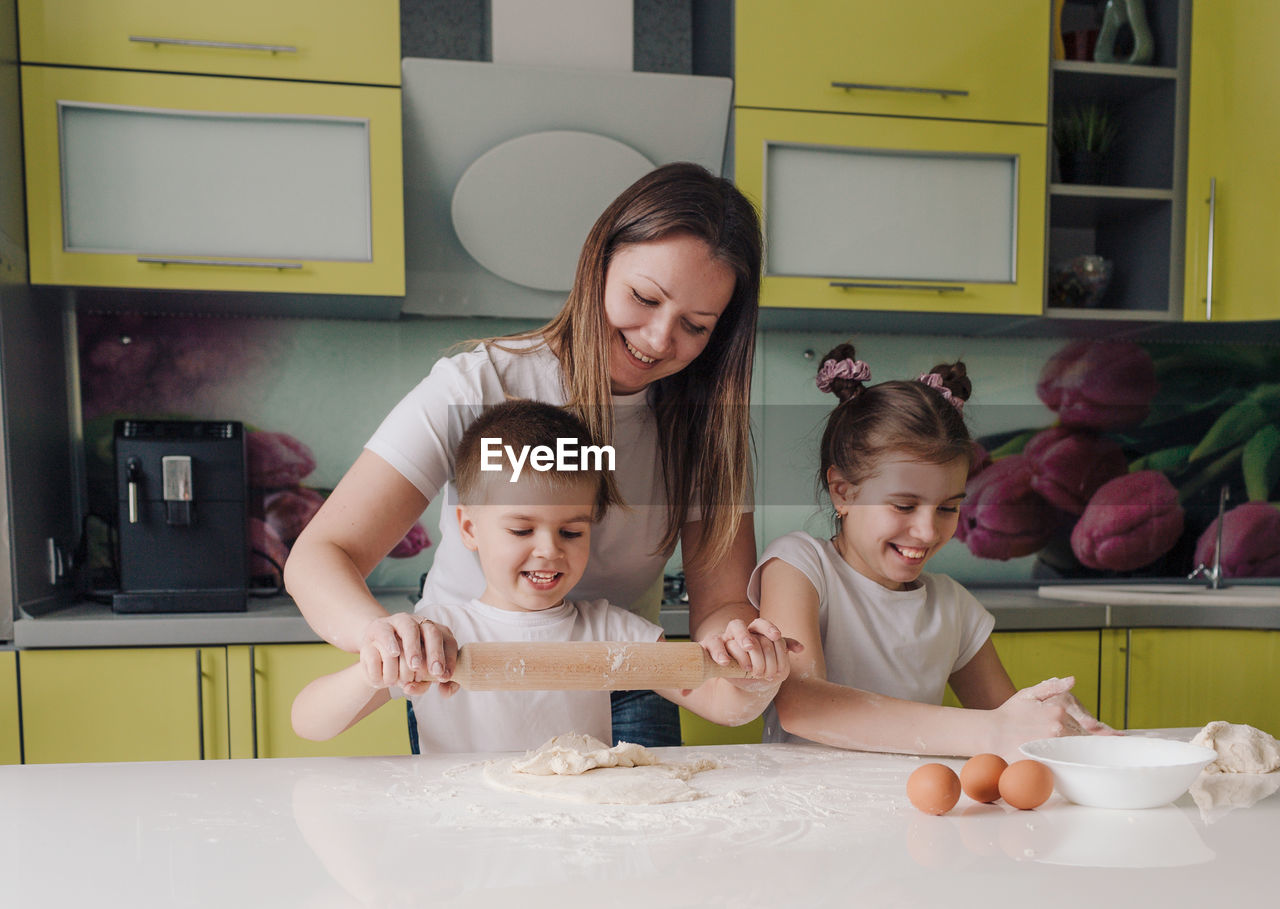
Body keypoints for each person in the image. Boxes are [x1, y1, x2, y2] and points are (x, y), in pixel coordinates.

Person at [285, 162, 783, 747]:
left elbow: (723, 602)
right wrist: (388, 642)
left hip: (625, 673)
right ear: (598, 261)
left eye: (696, 326)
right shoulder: (479, 385)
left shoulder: (705, 430)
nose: (657, 339)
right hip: (467, 671)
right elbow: (321, 554)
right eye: (643, 298)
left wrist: (738, 647)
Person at [291, 400, 793, 751]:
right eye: (521, 528)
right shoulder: (437, 636)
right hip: (463, 841)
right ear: (469, 527)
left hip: (574, 840)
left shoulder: (609, 632)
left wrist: (755, 678)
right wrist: (373, 665)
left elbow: (724, 704)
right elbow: (308, 722)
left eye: (572, 532)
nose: (549, 550)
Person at [750, 343, 1112, 761]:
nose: (926, 531)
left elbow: (1010, 722)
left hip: (920, 815)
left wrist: (1059, 724)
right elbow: (803, 707)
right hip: (808, 809)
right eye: (903, 506)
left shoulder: (952, 606)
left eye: (947, 508)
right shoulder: (799, 566)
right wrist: (992, 732)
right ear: (843, 491)